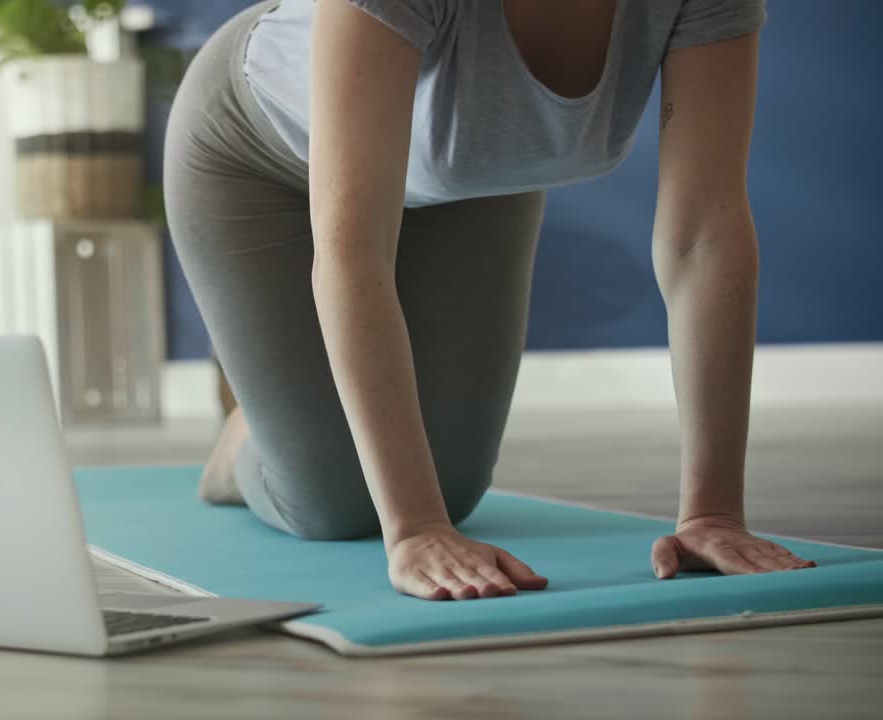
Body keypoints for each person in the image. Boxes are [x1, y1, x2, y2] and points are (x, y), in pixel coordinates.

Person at [163, 0, 814, 602]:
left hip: (473, 169)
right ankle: (246, 439)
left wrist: (713, 512)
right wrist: (415, 528)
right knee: (333, 505)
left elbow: (704, 237)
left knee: (456, 490)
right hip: (258, 155)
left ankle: (298, 421)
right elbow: (353, 254)